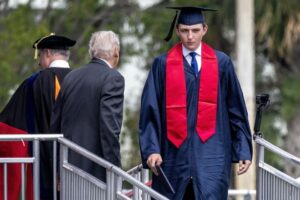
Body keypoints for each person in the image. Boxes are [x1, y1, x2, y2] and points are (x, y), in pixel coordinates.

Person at [139, 6, 253, 200]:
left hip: (212, 157)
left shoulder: (221, 63)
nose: (190, 36)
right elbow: (150, 111)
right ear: (177, 31)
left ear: (204, 29)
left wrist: (243, 148)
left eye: (195, 30)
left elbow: (236, 110)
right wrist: (152, 149)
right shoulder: (163, 64)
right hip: (172, 157)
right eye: (184, 30)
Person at [0, 33, 76, 200]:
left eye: (40, 55)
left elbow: (11, 123)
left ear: (48, 52)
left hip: (43, 168)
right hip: (79, 167)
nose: (39, 61)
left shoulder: (34, 82)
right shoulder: (81, 80)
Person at [51, 30, 124, 182]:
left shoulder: (71, 77)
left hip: (68, 168)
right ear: (116, 52)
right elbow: (109, 128)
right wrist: (115, 168)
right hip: (97, 172)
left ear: (92, 52)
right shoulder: (113, 78)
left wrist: (57, 169)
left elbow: (55, 126)